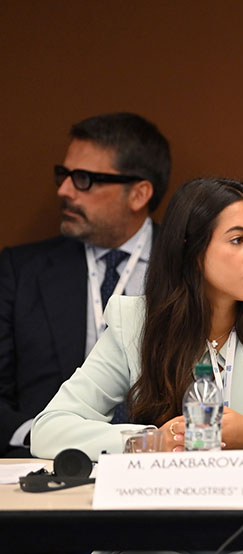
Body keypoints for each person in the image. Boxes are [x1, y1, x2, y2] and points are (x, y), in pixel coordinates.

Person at [31, 177, 243, 461]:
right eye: (238, 240)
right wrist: (152, 441)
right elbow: (49, 431)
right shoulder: (136, 323)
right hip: (164, 510)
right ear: (190, 251)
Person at [0, 112, 170, 457]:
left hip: (162, 462)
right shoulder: (21, 271)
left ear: (139, 194)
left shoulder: (193, 265)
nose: (63, 190)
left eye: (84, 179)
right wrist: (39, 436)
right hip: (48, 464)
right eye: (63, 175)